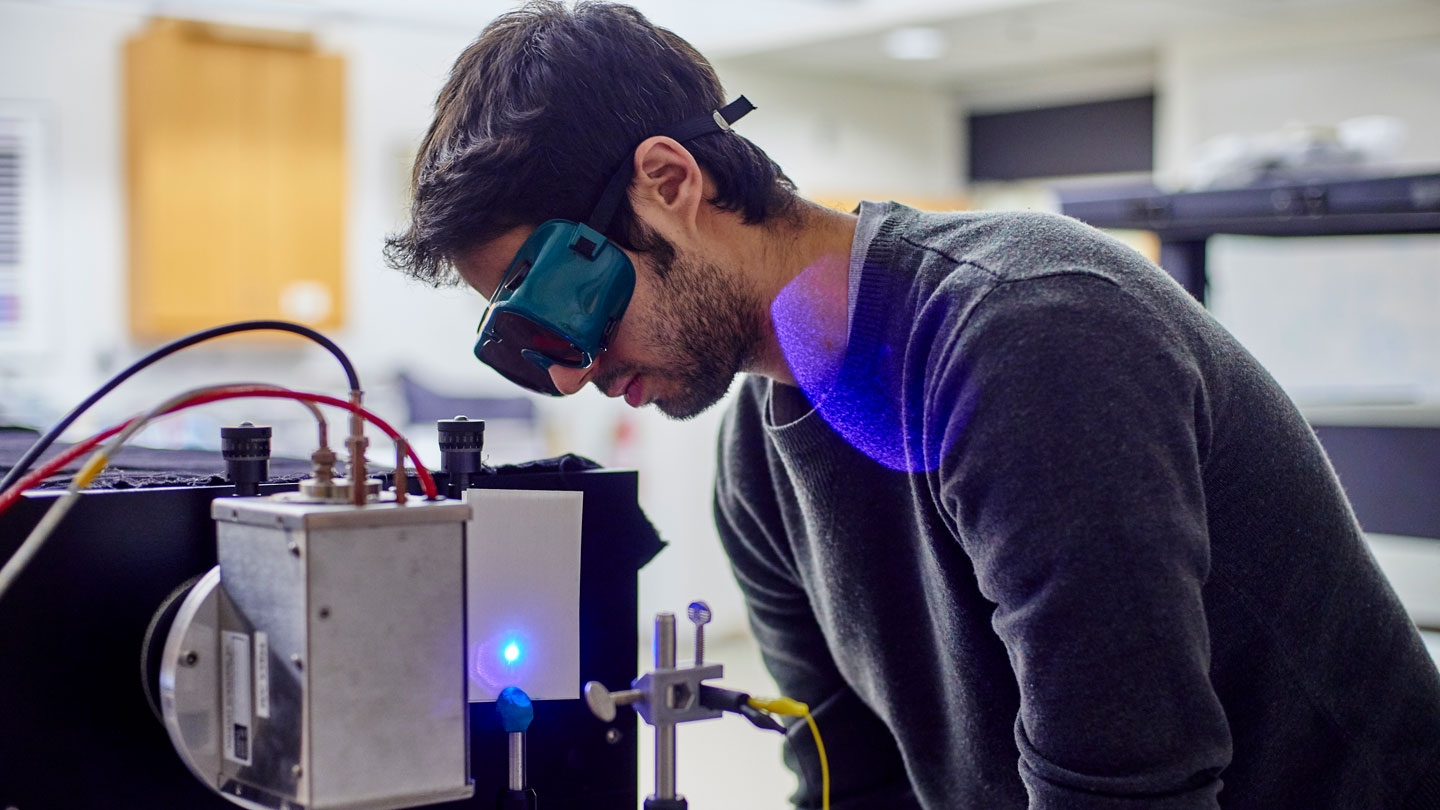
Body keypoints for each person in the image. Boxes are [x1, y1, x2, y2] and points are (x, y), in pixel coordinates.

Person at [384, 3, 1440, 808]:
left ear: (670, 182)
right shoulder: (757, 461)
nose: (567, 373)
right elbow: (852, 784)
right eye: (526, 346)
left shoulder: (1030, 337)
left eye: (561, 306)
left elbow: (1127, 791)